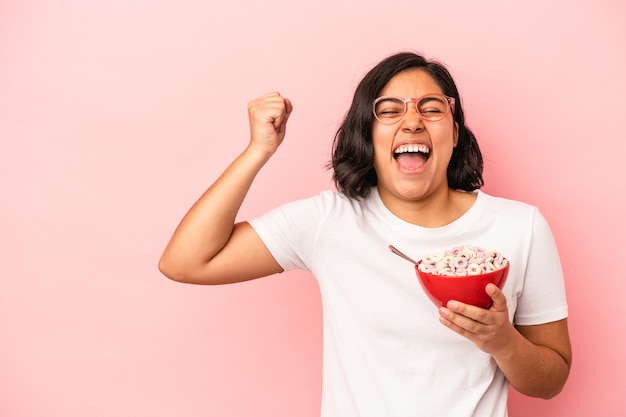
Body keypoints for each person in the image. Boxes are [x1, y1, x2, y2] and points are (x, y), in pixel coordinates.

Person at [158, 52, 572, 417]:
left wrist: (502, 342)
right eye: (389, 110)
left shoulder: (520, 226)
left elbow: (550, 381)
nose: (412, 121)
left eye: (431, 108)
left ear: (455, 134)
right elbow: (184, 263)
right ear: (368, 135)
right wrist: (258, 150)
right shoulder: (329, 222)